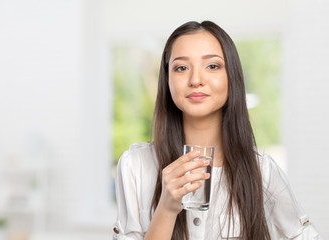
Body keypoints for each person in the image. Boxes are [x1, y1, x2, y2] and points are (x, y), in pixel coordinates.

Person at [113, 21, 322, 240]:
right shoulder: (135, 166)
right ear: (167, 80)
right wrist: (166, 208)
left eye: (212, 66)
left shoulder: (262, 172)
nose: (196, 80)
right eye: (181, 68)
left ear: (232, 77)